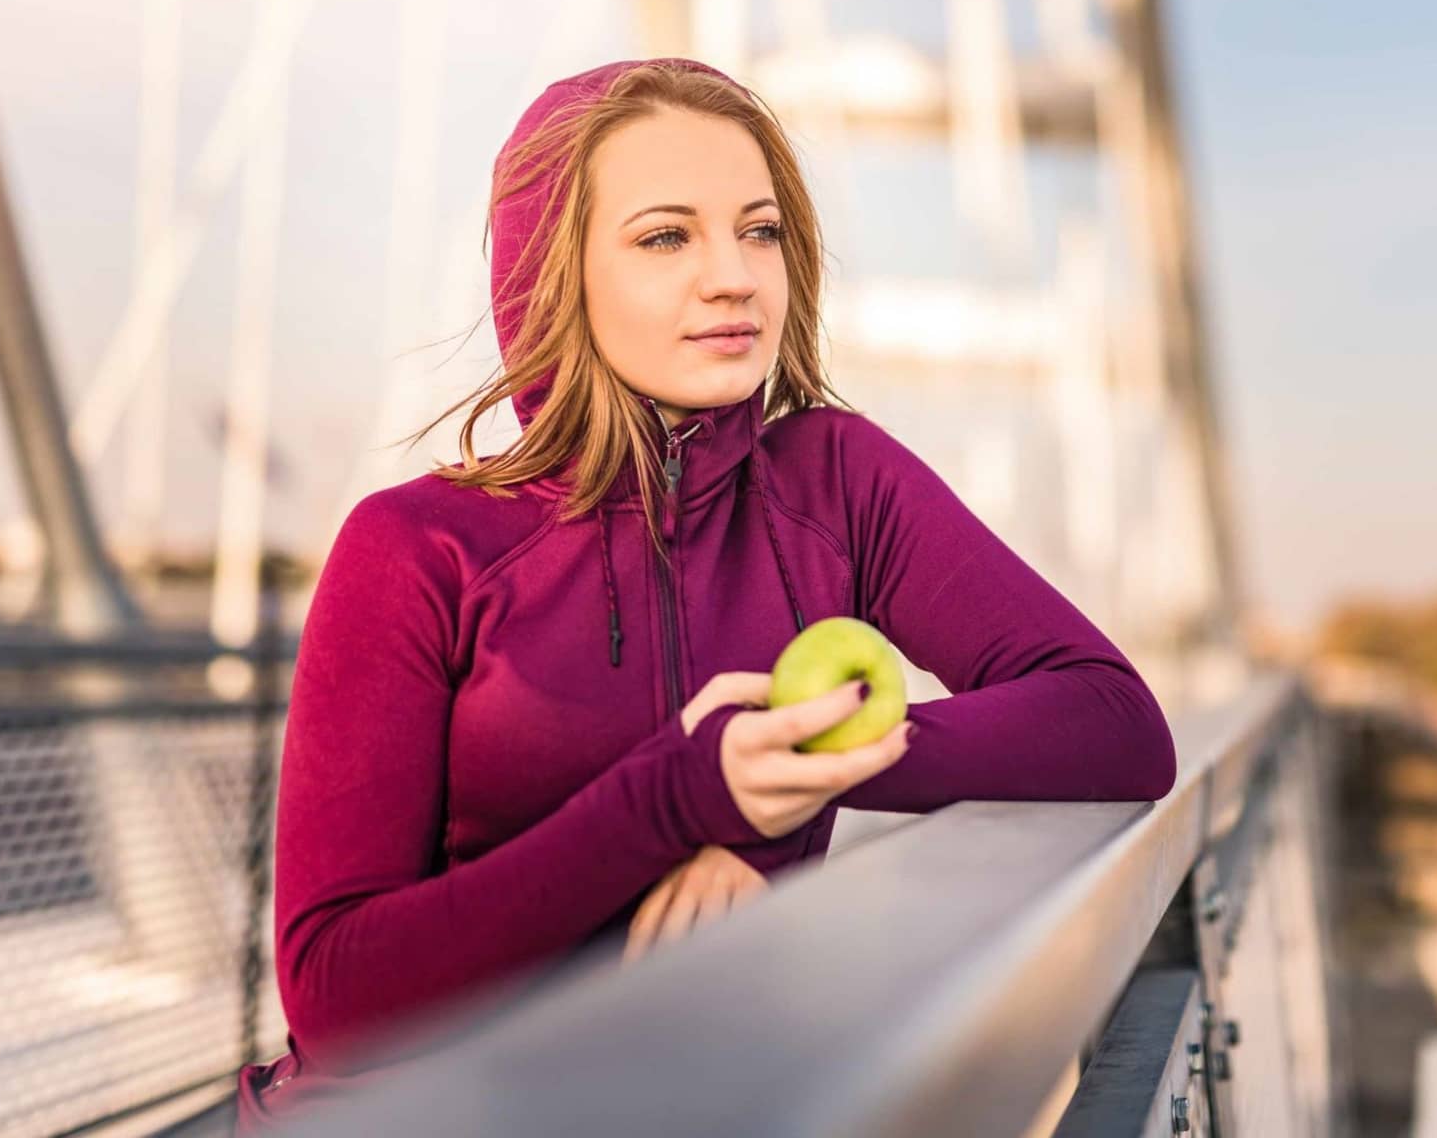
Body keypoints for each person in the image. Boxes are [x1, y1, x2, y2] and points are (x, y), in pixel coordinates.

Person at [233, 56, 1177, 1132]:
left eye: (759, 230)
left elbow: (1112, 721)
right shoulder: (418, 545)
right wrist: (677, 798)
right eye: (664, 236)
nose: (734, 276)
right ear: (551, 272)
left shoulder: (834, 480)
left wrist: (793, 765)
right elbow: (336, 993)